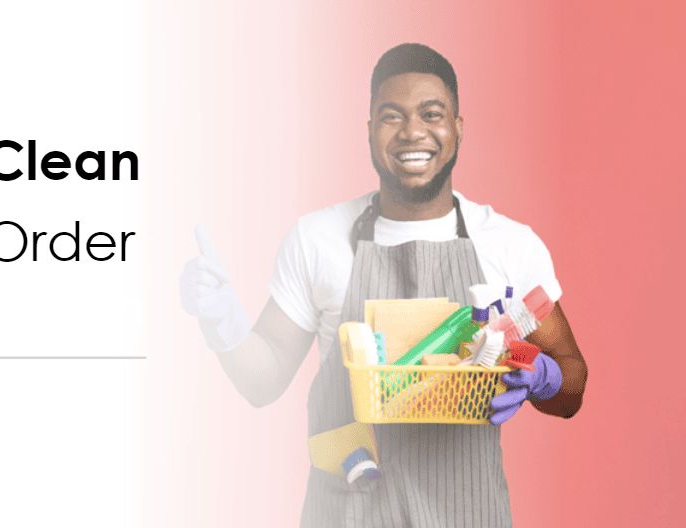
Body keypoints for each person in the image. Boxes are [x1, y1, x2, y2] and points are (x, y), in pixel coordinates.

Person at [180, 43, 588, 528]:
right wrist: (222, 325)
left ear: (458, 127)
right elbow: (263, 382)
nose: (413, 132)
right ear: (370, 131)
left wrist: (546, 379)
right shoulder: (317, 240)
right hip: (347, 513)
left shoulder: (510, 246)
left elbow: (572, 390)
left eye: (432, 114)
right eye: (392, 116)